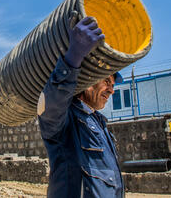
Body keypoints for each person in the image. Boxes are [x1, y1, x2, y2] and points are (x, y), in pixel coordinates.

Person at [37, 11, 124, 198]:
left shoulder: (99, 123)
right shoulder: (66, 119)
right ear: (89, 79)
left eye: (113, 85)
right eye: (107, 82)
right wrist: (73, 57)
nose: (112, 90)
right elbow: (51, 105)